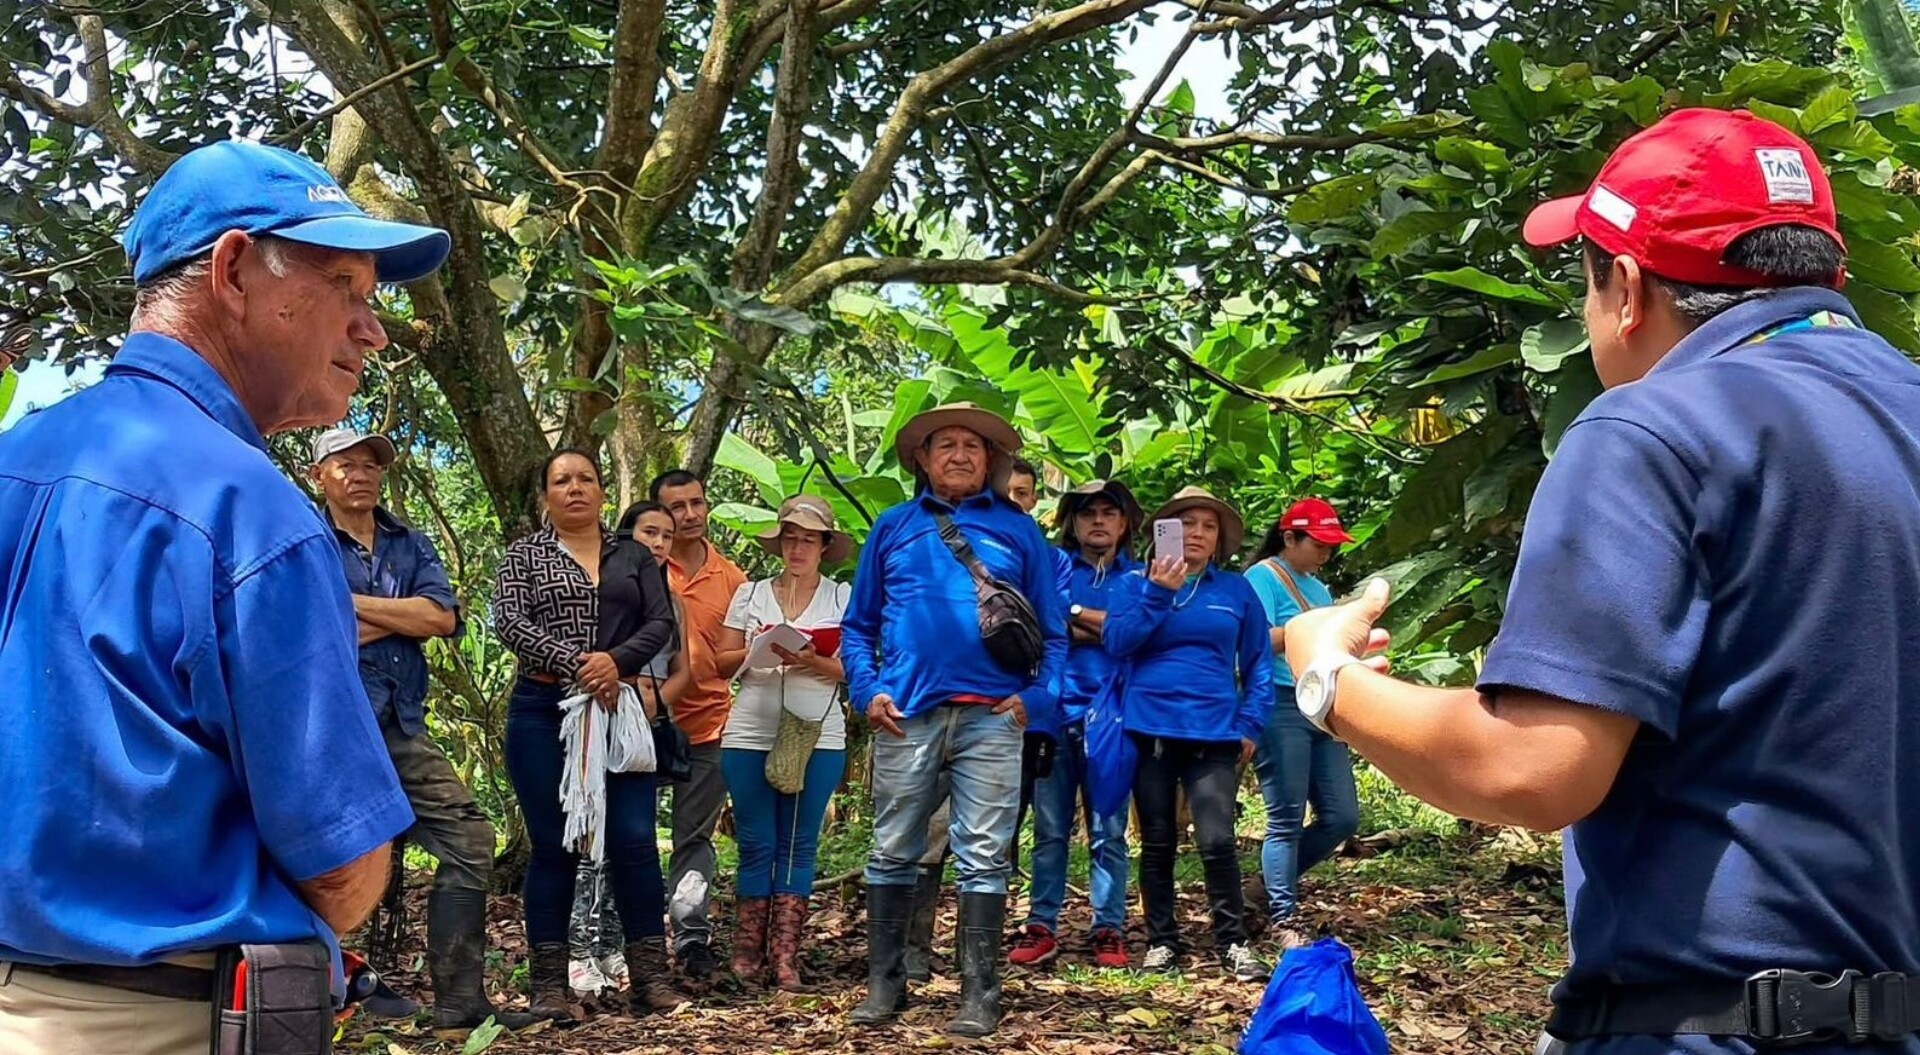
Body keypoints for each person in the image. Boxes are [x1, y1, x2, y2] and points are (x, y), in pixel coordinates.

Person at [1283, 108, 1920, 1054]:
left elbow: (1530, 767)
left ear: (1624, 288)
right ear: (1830, 273)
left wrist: (1331, 677)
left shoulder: (1652, 429)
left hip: (1711, 1026)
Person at [0, 141, 444, 1053]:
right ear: (235, 269)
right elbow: (345, 868)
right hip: (152, 1021)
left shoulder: (16, 460)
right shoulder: (246, 509)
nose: (374, 328)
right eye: (349, 288)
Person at [843, 402, 1067, 1037]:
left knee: (985, 855)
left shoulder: (1022, 532)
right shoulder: (892, 526)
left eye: (974, 446)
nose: (961, 455)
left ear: (991, 460)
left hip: (993, 718)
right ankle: (885, 985)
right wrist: (868, 691)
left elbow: (1054, 634)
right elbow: (859, 628)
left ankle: (979, 994)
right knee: (891, 849)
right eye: (946, 445)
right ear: (922, 458)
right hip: (905, 714)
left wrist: (1037, 699)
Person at [310, 428, 537, 1030]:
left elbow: (441, 616)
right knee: (314, 856)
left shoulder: (408, 543)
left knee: (468, 838)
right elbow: (310, 631)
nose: (360, 474)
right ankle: (323, 996)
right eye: (345, 465)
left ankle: (460, 1003)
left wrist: (350, 603)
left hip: (399, 723)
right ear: (319, 477)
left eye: (370, 465)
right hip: (326, 726)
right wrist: (398, 615)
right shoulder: (303, 541)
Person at [494, 449, 688, 1019]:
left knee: (634, 841)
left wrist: (616, 660)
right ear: (545, 496)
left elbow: (659, 623)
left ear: (602, 492)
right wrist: (580, 662)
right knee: (553, 845)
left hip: (618, 708)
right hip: (543, 707)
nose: (575, 488)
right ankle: (550, 987)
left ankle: (651, 979)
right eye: (561, 480)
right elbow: (509, 620)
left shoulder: (633, 555)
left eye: (586, 478)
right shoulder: (524, 556)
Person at [1104, 486, 1271, 983]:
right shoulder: (1135, 582)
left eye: (1208, 526)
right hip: (1149, 729)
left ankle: (1234, 940)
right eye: (1186, 524)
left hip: (1215, 732)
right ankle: (1161, 941)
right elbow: (1117, 641)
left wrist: (1251, 723)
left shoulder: (1236, 590)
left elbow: (1259, 662)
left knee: (1218, 840)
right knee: (1157, 840)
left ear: (1219, 540)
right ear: (1164, 533)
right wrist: (1159, 592)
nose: (1196, 534)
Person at [712, 496, 854, 989]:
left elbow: (855, 669)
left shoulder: (841, 596)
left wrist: (811, 659)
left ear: (823, 546)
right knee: (756, 841)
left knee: (798, 842)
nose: (797, 547)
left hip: (819, 731)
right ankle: (746, 954)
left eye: (808, 539)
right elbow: (720, 661)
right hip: (751, 727)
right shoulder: (751, 595)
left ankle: (786, 957)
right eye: (790, 538)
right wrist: (759, 650)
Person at [1007, 480, 1141, 970]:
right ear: (1072, 522)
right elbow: (1043, 628)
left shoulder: (1141, 577)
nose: (1098, 522)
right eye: (1088, 514)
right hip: (1053, 713)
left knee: (1108, 830)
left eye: (1109, 513)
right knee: (1049, 828)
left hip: (1115, 716)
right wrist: (1103, 628)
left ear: (1124, 523)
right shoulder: (1053, 566)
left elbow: (1135, 636)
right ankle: (1042, 923)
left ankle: (1108, 927)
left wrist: (1080, 618)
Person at [1244, 498, 1360, 951]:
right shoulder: (1263, 578)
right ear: (1289, 537)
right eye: (1318, 543)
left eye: (1331, 545)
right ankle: (1282, 914)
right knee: (1285, 818)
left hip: (1319, 704)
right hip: (1279, 703)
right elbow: (1252, 642)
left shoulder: (1320, 588)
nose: (1326, 553)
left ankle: (1261, 888)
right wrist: (1306, 631)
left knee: (1342, 816)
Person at [650, 468, 747, 980]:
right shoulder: (635, 568)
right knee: (631, 835)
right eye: (677, 507)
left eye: (696, 504)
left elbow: (741, 653)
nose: (689, 516)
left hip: (709, 725)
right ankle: (637, 937)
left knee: (693, 837)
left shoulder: (732, 579)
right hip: (639, 725)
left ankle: (691, 939)